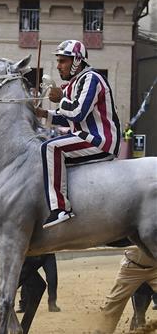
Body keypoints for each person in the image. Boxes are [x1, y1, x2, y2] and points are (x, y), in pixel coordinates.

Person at [34, 40, 120, 228]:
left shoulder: (91, 78)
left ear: (76, 61)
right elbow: (68, 118)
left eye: (62, 61)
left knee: (50, 147)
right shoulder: (74, 83)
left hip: (99, 141)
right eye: (58, 61)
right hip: (83, 137)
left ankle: (61, 209)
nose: (58, 66)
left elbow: (78, 113)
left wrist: (61, 99)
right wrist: (42, 113)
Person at [91, 247, 157, 334]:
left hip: (155, 268)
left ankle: (138, 319)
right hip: (132, 267)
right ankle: (101, 328)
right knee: (115, 299)